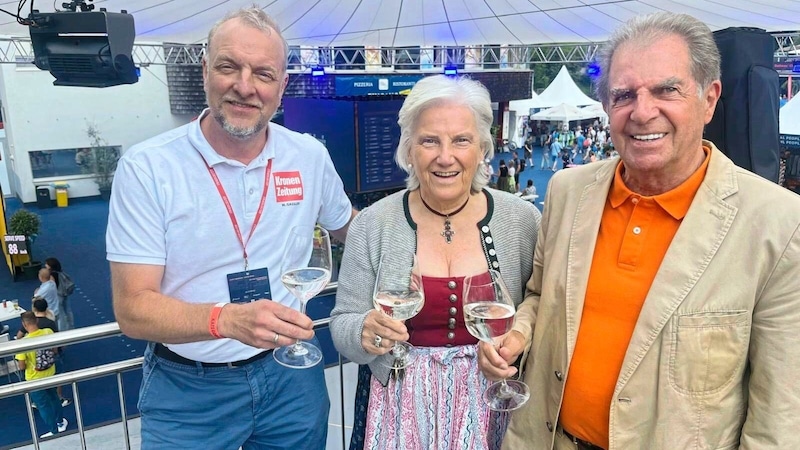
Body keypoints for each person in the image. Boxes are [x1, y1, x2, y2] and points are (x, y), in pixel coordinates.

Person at [479, 11, 800, 450]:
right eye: (624, 94)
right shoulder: (568, 191)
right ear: (607, 107)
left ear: (709, 99)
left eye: (667, 90)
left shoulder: (777, 223)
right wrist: (520, 333)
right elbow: (540, 296)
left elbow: (779, 419)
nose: (642, 112)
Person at [106, 7, 356, 449]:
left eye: (263, 73)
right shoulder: (148, 167)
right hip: (188, 390)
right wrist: (225, 320)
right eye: (229, 67)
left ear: (281, 86)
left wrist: (424, 236)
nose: (245, 86)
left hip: (290, 376)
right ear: (205, 71)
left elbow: (351, 232)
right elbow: (132, 309)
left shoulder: (308, 157)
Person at [331, 75, 541, 449]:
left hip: (494, 401)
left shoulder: (522, 220)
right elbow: (342, 324)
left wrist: (518, 340)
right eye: (429, 141)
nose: (446, 157)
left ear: (482, 148)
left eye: (461, 140)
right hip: (399, 408)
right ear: (409, 150)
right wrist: (363, 331)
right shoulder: (372, 224)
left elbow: (539, 302)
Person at [15, 312, 68, 439]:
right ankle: (60, 422)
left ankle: (53, 431)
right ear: (36, 321)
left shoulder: (23, 342)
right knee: (54, 398)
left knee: (43, 405)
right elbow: (55, 350)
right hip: (50, 372)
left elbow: (22, 366)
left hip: (34, 378)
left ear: (24, 325)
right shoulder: (48, 332)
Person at [45, 257, 75, 331]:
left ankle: (63, 331)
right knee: (67, 311)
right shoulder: (61, 272)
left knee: (61, 315)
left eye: (47, 264)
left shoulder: (52, 275)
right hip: (64, 294)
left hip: (58, 296)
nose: (45, 265)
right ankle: (71, 327)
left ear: (50, 266)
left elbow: (50, 286)